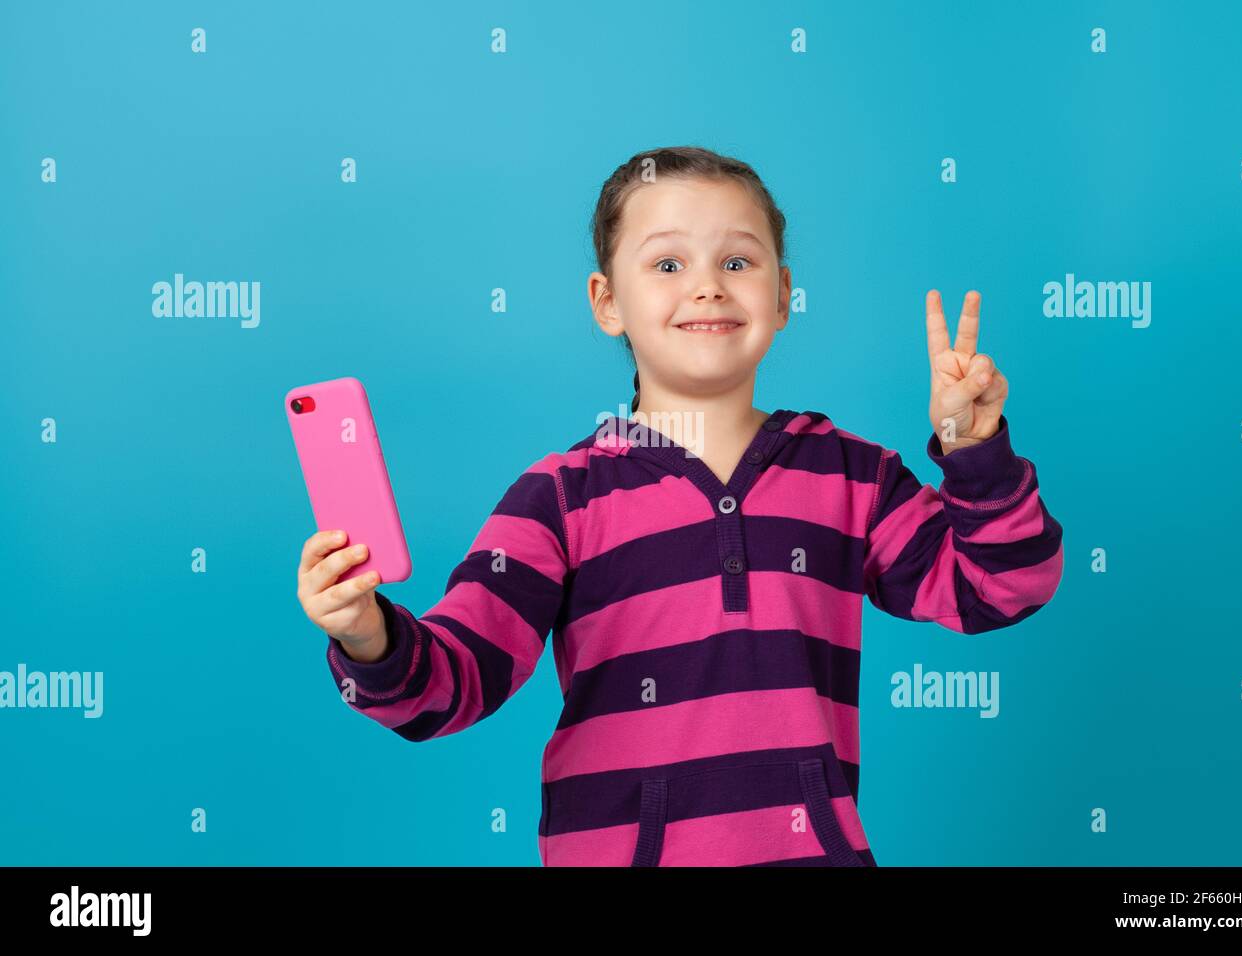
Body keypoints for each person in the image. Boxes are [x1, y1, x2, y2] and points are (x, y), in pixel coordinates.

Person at [295, 145, 1064, 866]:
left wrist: (974, 445)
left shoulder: (852, 477)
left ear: (785, 295)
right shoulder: (560, 498)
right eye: (667, 262)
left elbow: (998, 588)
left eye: (738, 260)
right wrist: (368, 635)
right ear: (607, 302)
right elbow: (453, 684)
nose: (708, 286)